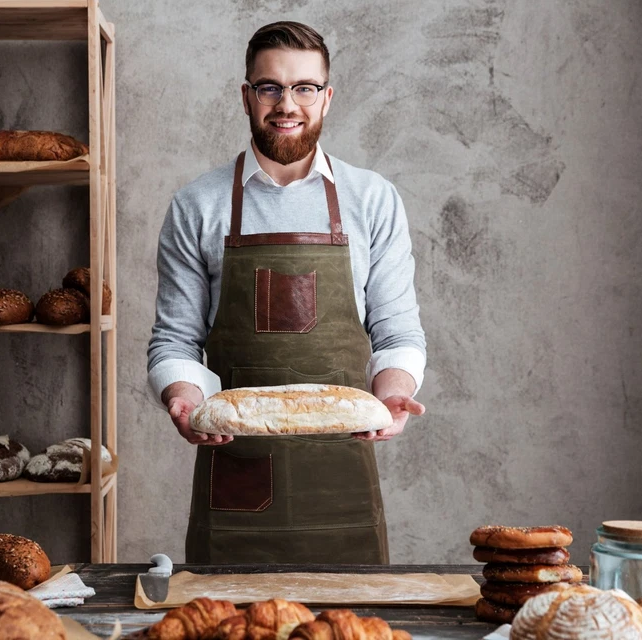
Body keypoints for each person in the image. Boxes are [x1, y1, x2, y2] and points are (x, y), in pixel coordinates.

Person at [147, 21, 426, 564]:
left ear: (327, 97)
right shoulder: (196, 205)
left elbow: (396, 331)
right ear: (247, 96)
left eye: (304, 87)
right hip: (237, 478)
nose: (286, 103)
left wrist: (392, 392)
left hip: (343, 478)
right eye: (270, 87)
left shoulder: (373, 199)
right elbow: (175, 342)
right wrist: (182, 397)